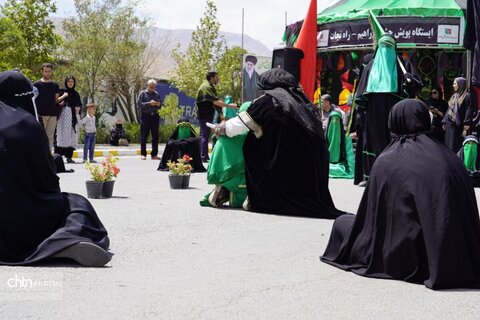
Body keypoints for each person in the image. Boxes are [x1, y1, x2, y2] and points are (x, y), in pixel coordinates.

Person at [321, 99, 480, 290]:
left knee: (342, 224)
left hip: (406, 254)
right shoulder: (449, 157)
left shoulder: (388, 160)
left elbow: (373, 222)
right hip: (458, 254)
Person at [0, 70, 111, 267]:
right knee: (76, 205)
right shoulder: (27, 125)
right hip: (20, 225)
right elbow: (48, 183)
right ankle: (62, 242)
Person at [212, 68, 345, 219]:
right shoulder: (306, 103)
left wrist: (219, 128)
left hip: (282, 170)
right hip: (312, 178)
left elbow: (233, 128)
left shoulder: (268, 101)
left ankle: (246, 192)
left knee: (249, 142)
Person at [355, 27, 422, 171]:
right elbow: (361, 91)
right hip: (375, 111)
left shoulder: (402, 64)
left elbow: (417, 85)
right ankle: (374, 172)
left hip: (396, 109)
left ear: (395, 48)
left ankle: (398, 169)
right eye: (383, 46)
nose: (386, 50)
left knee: (396, 137)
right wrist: (359, 113)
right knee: (376, 140)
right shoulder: (371, 66)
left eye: (389, 46)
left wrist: (410, 80)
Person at [200, 102, 252, 208]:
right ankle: (250, 197)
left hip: (224, 177)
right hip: (247, 179)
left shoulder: (226, 134)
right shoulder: (254, 136)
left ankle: (223, 188)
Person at [195, 71, 237, 162]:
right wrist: (229, 106)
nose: (218, 79)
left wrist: (221, 114)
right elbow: (215, 102)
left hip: (206, 114)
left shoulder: (209, 86)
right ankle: (203, 157)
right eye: (216, 77)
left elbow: (214, 102)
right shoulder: (207, 87)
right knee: (204, 135)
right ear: (212, 77)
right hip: (204, 114)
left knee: (204, 135)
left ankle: (202, 156)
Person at [33, 63, 68, 152]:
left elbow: (56, 100)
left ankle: (48, 158)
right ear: (42, 71)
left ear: (51, 72)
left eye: (49, 71)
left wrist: (63, 96)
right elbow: (32, 99)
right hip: (40, 115)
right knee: (40, 136)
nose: (47, 73)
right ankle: (39, 156)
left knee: (50, 137)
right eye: (45, 71)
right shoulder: (36, 85)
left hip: (52, 115)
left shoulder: (55, 85)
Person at [442, 77, 474, 153]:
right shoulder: (454, 95)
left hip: (459, 125)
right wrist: (444, 121)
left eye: (455, 83)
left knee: (456, 144)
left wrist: (467, 123)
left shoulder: (467, 96)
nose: (453, 85)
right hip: (450, 123)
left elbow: (469, 111)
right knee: (448, 144)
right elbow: (449, 109)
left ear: (461, 84)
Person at [56, 75, 82, 163]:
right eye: (69, 82)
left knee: (71, 136)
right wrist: (64, 96)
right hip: (63, 118)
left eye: (72, 82)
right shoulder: (62, 91)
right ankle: (58, 156)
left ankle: (69, 157)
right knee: (61, 135)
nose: (70, 83)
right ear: (66, 83)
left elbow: (79, 104)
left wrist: (78, 109)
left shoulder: (76, 94)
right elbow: (56, 102)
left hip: (73, 118)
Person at [137, 79, 161, 160]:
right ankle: (143, 154)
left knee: (155, 136)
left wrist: (157, 104)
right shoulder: (143, 94)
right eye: (151, 87)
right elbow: (139, 104)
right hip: (145, 116)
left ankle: (154, 154)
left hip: (155, 116)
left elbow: (160, 104)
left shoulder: (157, 94)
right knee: (144, 136)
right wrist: (149, 103)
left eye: (154, 87)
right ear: (148, 86)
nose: (153, 89)